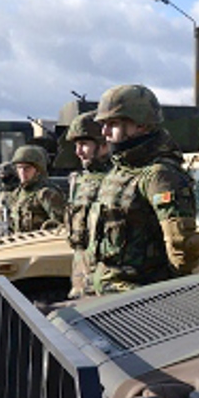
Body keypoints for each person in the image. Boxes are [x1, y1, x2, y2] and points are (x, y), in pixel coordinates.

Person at [85, 84, 199, 294]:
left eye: (112, 124)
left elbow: (183, 252)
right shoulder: (121, 169)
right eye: (103, 124)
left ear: (141, 125)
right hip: (107, 291)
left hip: (137, 300)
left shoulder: (159, 176)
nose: (104, 132)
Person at [64, 111, 111, 297]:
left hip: (103, 279)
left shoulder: (115, 181)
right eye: (76, 145)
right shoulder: (81, 181)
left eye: (84, 144)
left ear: (104, 145)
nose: (78, 152)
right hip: (80, 274)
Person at [8, 145, 66, 233]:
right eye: (19, 168)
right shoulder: (16, 194)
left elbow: (61, 226)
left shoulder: (46, 194)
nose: (22, 172)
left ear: (38, 170)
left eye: (27, 168)